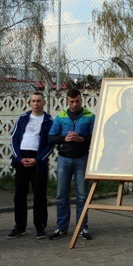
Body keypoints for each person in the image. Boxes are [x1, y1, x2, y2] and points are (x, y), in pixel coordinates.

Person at [48, 88, 95, 240]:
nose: (74, 104)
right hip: (64, 159)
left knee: (82, 196)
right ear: (67, 101)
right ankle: (61, 228)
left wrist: (81, 139)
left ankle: (82, 227)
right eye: (71, 102)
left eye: (77, 101)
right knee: (61, 195)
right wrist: (64, 139)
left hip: (82, 158)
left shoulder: (89, 116)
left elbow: (96, 138)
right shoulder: (61, 117)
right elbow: (51, 138)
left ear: (81, 100)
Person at [7, 92, 54, 240]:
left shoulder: (49, 121)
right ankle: (19, 227)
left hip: (38, 163)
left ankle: (40, 227)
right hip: (22, 160)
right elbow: (14, 139)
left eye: (39, 101)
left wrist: (38, 159)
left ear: (44, 103)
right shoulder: (22, 119)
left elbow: (50, 144)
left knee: (40, 196)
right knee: (20, 195)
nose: (36, 103)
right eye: (33, 101)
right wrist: (19, 158)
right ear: (29, 103)